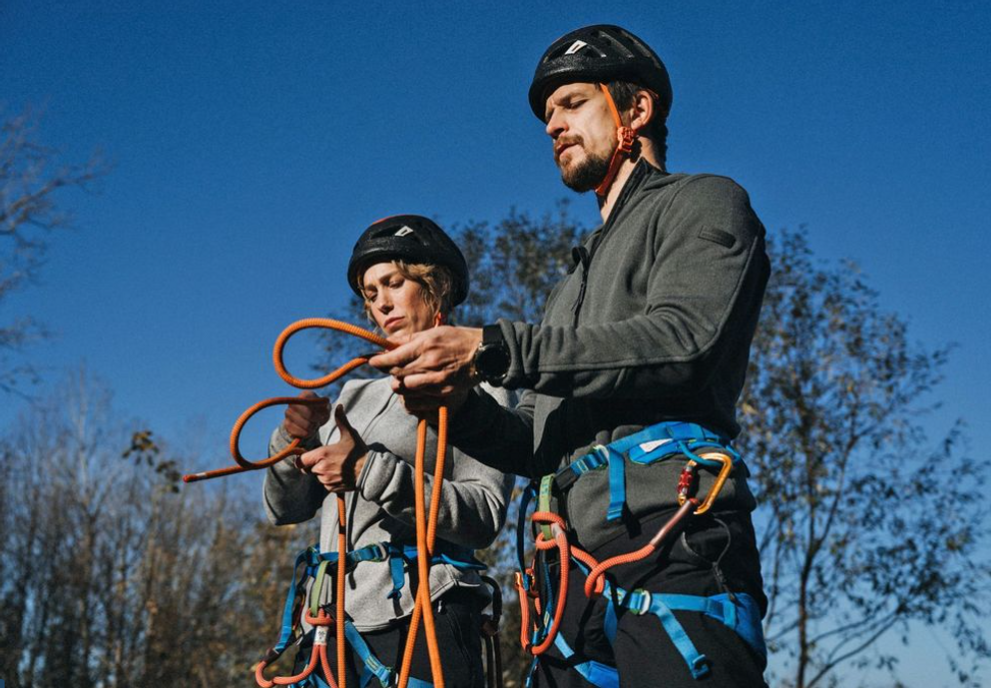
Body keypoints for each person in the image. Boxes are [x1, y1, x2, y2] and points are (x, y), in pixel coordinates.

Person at [369, 25, 770, 688]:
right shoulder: (567, 289)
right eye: (547, 115)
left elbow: (684, 341)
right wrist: (458, 402)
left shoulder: (703, 202)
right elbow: (531, 440)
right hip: (565, 579)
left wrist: (493, 346)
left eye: (573, 103)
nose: (553, 125)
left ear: (637, 109)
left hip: (673, 540)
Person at [263, 215, 514, 688]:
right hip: (330, 624)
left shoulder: (481, 388)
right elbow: (284, 507)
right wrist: (293, 441)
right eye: (370, 293)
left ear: (435, 286)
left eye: (393, 283)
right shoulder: (354, 396)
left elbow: (485, 514)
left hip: (423, 615)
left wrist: (365, 470)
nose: (381, 302)